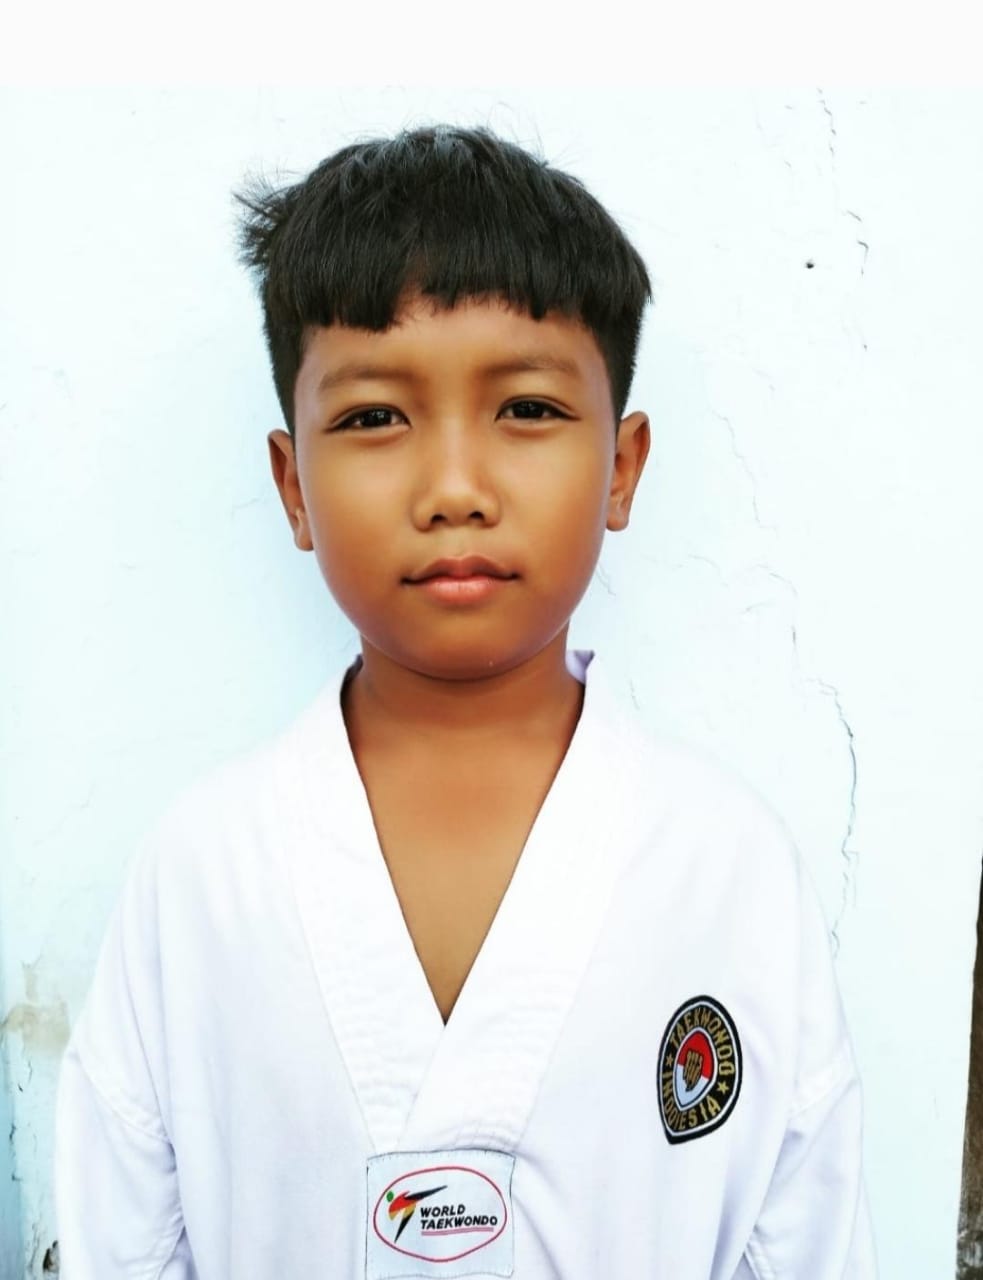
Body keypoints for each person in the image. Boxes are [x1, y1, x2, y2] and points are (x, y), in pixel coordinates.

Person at [54, 123, 876, 1278]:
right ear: (292, 485)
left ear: (620, 466)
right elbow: (122, 1243)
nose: (453, 488)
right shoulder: (197, 876)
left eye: (526, 409)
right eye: (373, 417)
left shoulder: (729, 872)